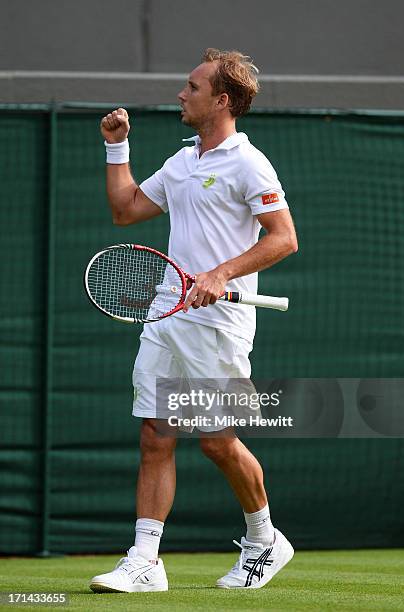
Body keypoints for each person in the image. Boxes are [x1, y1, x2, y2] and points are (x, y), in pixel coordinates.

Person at [90, 48, 298, 593]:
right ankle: (145, 560)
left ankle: (265, 539)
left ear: (222, 100)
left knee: (216, 442)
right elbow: (126, 209)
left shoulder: (250, 163)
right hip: (165, 314)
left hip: (218, 323)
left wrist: (222, 273)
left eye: (193, 87)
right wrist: (118, 146)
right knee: (156, 436)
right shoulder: (183, 161)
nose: (182, 94)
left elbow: (284, 238)